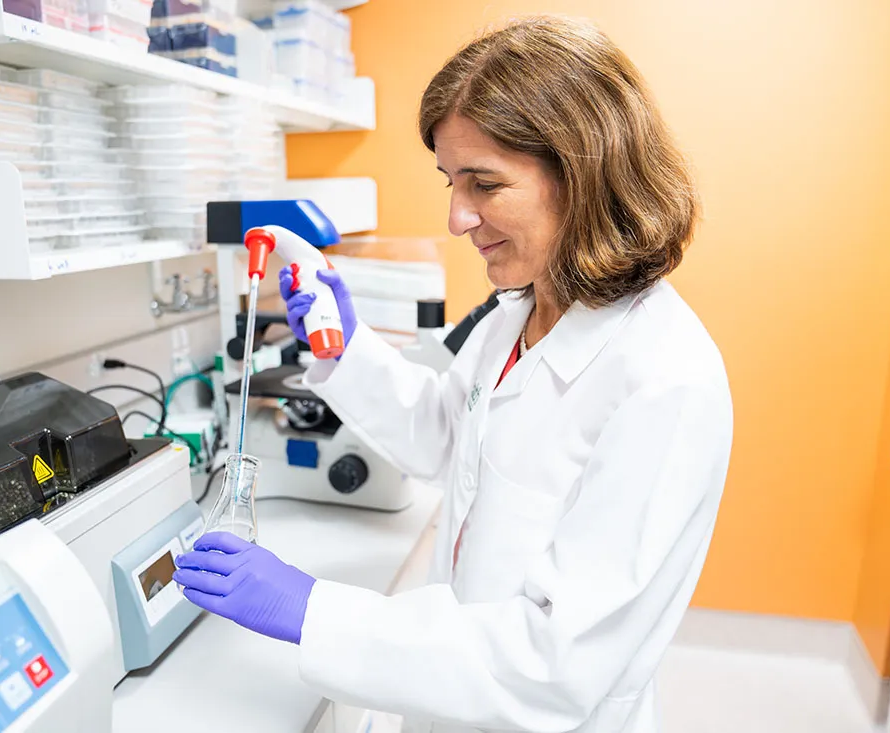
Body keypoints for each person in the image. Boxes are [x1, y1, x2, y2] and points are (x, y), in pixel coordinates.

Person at [174, 15, 733, 733]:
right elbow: (447, 431)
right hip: (448, 702)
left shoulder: (666, 379)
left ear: (583, 173)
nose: (457, 216)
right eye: (451, 180)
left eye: (484, 184)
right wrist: (345, 350)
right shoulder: (519, 311)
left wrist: (313, 609)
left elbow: (550, 668)